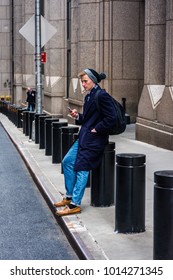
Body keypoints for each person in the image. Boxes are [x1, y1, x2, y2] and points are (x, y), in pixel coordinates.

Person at [54, 68, 117, 216]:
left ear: (93, 81)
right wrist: (78, 115)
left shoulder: (102, 96)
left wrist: (97, 129)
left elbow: (112, 117)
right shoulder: (90, 96)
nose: (83, 84)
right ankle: (69, 197)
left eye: (85, 81)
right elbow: (88, 119)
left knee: (82, 168)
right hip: (84, 137)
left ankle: (75, 204)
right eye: (82, 81)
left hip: (94, 140)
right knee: (67, 161)